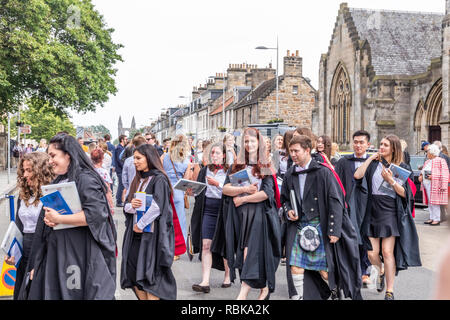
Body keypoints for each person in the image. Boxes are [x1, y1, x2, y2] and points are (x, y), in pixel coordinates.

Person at [22, 133, 117, 300]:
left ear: (68, 155)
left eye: (53, 155)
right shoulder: (59, 179)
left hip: (80, 255)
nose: (49, 160)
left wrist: (59, 219)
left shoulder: (85, 179)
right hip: (59, 252)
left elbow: (95, 215)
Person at [281, 135, 362, 300]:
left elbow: (336, 201)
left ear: (307, 150)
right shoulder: (290, 173)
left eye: (296, 151)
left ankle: (334, 292)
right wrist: (288, 210)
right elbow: (284, 199)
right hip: (299, 226)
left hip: (319, 225)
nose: (293, 155)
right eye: (291, 151)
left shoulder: (322, 172)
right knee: (295, 267)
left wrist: (334, 230)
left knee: (325, 271)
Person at [213, 127, 281, 300]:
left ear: (258, 143)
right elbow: (226, 189)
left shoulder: (266, 165)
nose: (249, 144)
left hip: (259, 216)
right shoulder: (237, 165)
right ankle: (264, 287)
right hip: (240, 218)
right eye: (246, 141)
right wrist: (243, 189)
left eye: (252, 141)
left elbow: (267, 194)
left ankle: (242, 296)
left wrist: (243, 199)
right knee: (244, 255)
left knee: (249, 254)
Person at [354, 134, 421, 300]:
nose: (381, 147)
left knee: (387, 251)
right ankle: (381, 270)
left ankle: (389, 291)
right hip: (372, 210)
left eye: (385, 145)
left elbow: (406, 194)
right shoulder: (373, 164)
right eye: (381, 144)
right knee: (371, 253)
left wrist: (391, 180)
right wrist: (369, 159)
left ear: (393, 148)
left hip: (390, 211)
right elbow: (357, 175)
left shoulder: (402, 167)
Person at [120, 144, 177, 300]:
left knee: (150, 277)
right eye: (134, 159)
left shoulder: (159, 179)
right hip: (136, 236)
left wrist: (140, 224)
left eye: (138, 158)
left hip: (152, 236)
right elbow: (127, 205)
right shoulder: (139, 180)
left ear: (149, 158)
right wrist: (133, 205)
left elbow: (157, 206)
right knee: (133, 274)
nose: (135, 162)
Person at [4, 152, 54, 300]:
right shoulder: (24, 194)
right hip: (24, 247)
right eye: (23, 170)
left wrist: (43, 263)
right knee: (21, 290)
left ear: (41, 170)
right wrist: (12, 251)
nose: (25, 175)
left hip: (41, 248)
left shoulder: (51, 194)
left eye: (29, 170)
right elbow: (18, 226)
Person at [190, 143, 231, 293]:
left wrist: (219, 184)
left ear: (224, 155)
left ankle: (228, 275)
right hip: (207, 209)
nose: (214, 155)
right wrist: (191, 190)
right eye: (212, 152)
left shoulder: (230, 171)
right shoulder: (205, 170)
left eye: (217, 153)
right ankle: (205, 281)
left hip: (223, 209)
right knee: (206, 245)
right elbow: (199, 190)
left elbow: (234, 190)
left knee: (225, 243)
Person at [334, 130, 372, 288]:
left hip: (368, 206)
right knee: (351, 238)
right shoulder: (343, 162)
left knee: (366, 238)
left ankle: (365, 271)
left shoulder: (373, 163)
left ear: (368, 145)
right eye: (355, 142)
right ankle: (351, 271)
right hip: (349, 206)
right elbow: (337, 183)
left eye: (361, 142)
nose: (358, 145)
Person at [161, 134, 193, 244]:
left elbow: (159, 173)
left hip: (165, 191)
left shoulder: (164, 157)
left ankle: (165, 243)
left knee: (165, 219)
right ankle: (177, 246)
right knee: (179, 221)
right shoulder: (186, 161)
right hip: (178, 192)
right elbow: (186, 180)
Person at [420, 144, 449, 226]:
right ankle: (432, 217)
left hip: (435, 185)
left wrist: (434, 177)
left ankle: (436, 219)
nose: (426, 153)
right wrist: (421, 176)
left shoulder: (440, 160)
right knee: (430, 202)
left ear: (432, 152)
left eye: (428, 152)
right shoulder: (427, 161)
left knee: (435, 203)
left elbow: (445, 173)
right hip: (427, 185)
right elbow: (423, 171)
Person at [91, 148, 115, 215]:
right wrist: (111, 206)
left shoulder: (88, 171)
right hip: (102, 201)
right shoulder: (104, 172)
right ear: (102, 158)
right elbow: (108, 191)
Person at [433, 141, 450, 222]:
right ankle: (442, 216)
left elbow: (447, 170)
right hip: (438, 181)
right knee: (441, 200)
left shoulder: (444, 157)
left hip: (444, 181)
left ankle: (443, 216)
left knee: (444, 200)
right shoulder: (433, 156)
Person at [114, 134, 128, 207]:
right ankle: (119, 201)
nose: (127, 140)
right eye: (126, 139)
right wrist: (125, 167)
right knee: (121, 185)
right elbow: (120, 160)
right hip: (120, 169)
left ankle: (118, 199)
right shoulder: (119, 148)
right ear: (122, 140)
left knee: (121, 185)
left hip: (120, 169)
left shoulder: (121, 147)